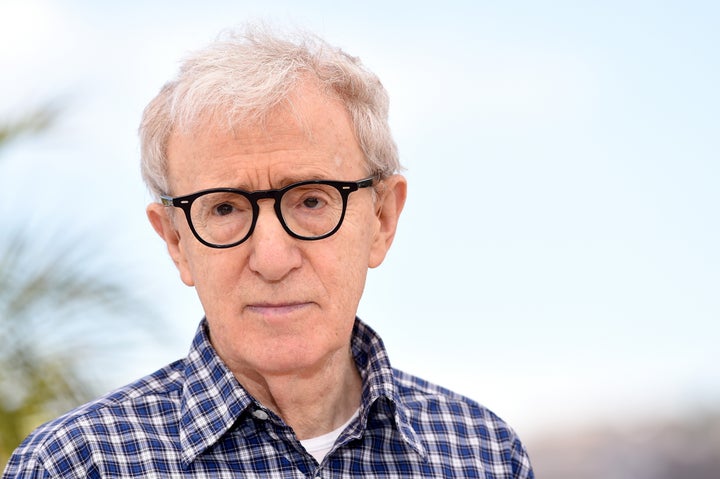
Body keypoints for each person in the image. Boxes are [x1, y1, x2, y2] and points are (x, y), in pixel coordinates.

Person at [3, 25, 534, 478]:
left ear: (381, 219)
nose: (272, 259)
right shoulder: (75, 466)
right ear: (176, 241)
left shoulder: (483, 454)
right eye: (225, 209)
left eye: (310, 200)